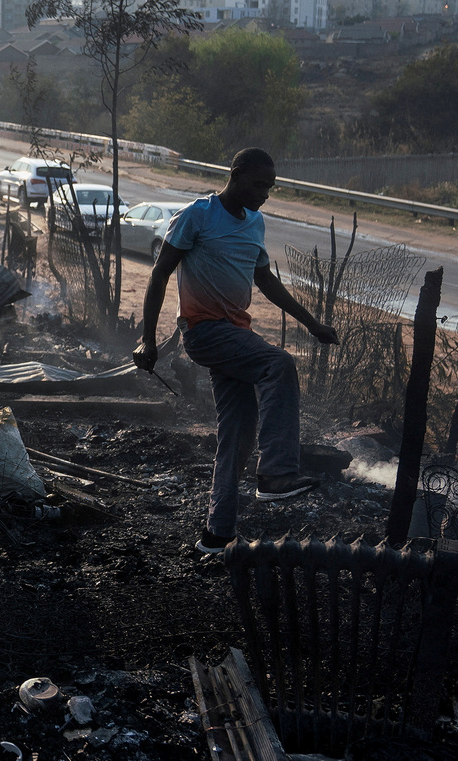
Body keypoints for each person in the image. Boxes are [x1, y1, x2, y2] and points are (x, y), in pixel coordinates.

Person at [132, 148, 339, 555]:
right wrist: (149, 338)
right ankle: (277, 473)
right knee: (278, 363)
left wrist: (311, 322)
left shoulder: (255, 223)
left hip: (236, 334)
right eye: (259, 184)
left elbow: (265, 280)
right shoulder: (198, 215)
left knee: (237, 435)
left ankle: (217, 534)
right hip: (204, 331)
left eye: (270, 187)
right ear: (236, 175)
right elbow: (159, 274)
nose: (265, 194)